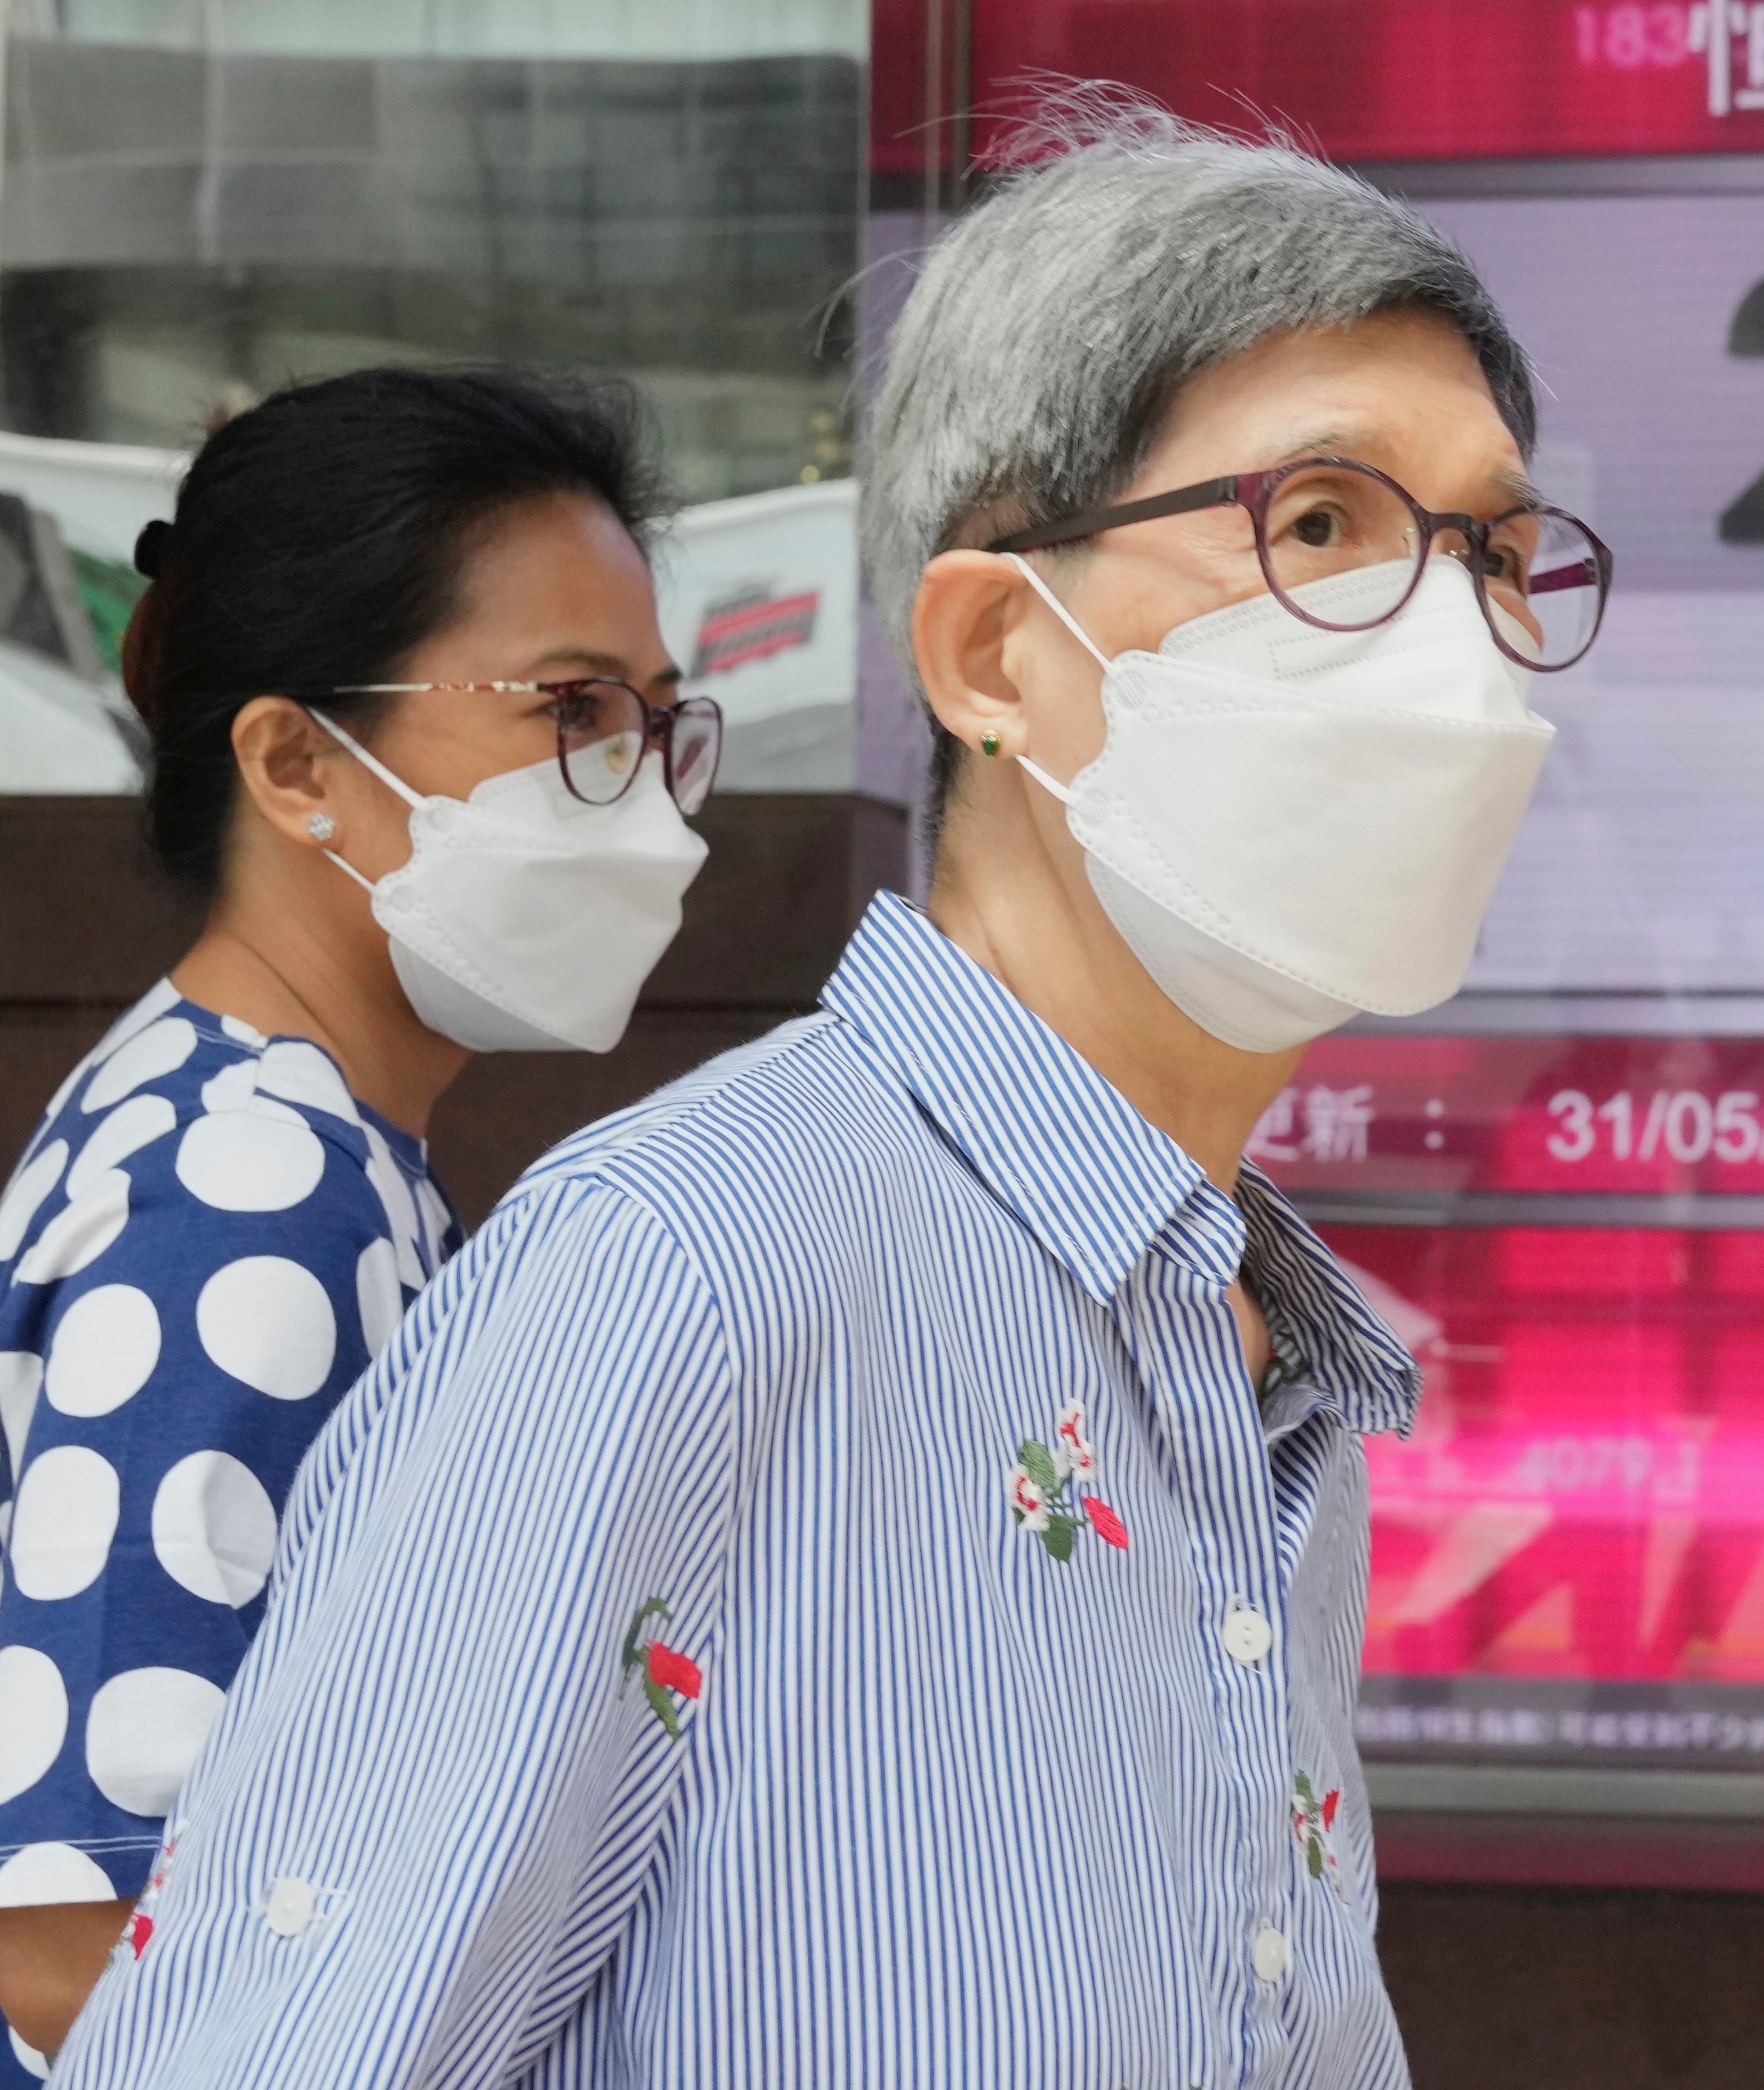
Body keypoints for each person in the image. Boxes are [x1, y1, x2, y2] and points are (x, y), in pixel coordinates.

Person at [55, 100, 1609, 2086]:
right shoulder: (686, 1281)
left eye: (1491, 550)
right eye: (1320, 527)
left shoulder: (1262, 1366)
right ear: (992, 651)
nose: (1451, 643)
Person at [0, 370, 713, 2067]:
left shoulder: (292, 1142)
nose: (646, 800)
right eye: (570, 711)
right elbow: (70, 1934)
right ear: (297, 764)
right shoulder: (245, 1194)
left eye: (657, 724)